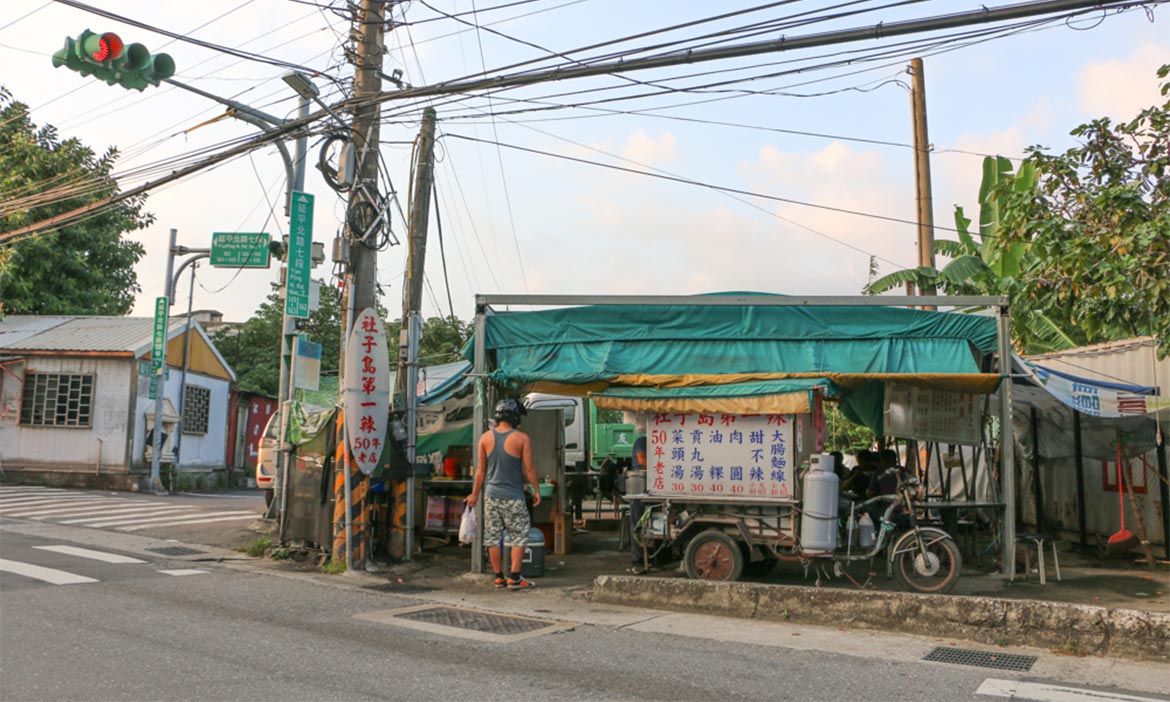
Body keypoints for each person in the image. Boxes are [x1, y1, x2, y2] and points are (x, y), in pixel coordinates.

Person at [466, 398, 541, 590]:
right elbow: (529, 468)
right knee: (519, 535)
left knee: (492, 536)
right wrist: (536, 489)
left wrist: (474, 495)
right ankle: (514, 577)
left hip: (491, 496)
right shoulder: (522, 438)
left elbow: (480, 471)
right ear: (514, 416)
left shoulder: (485, 438)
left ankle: (498, 577)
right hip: (514, 497)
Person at [627, 429, 649, 574]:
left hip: (649, 486)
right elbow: (642, 460)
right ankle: (637, 560)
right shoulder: (642, 442)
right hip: (639, 485)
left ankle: (654, 558)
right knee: (637, 525)